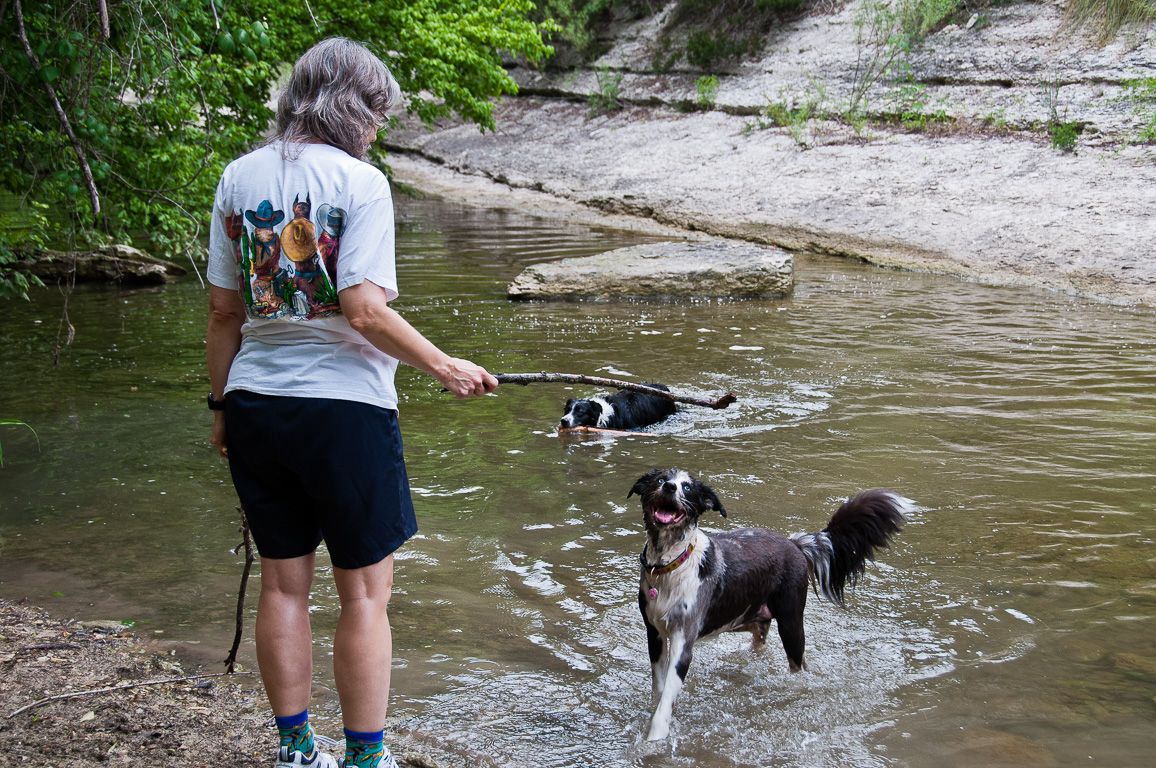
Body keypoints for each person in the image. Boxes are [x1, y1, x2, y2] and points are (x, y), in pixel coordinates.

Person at [205, 37, 498, 768]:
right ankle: (366, 760)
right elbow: (363, 310)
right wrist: (442, 364)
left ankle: (297, 753)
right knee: (365, 595)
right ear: (352, 108)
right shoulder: (361, 184)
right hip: (344, 410)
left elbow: (221, 313)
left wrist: (220, 408)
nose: (377, 129)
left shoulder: (237, 178)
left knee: (284, 582)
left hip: (256, 405)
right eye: (376, 113)